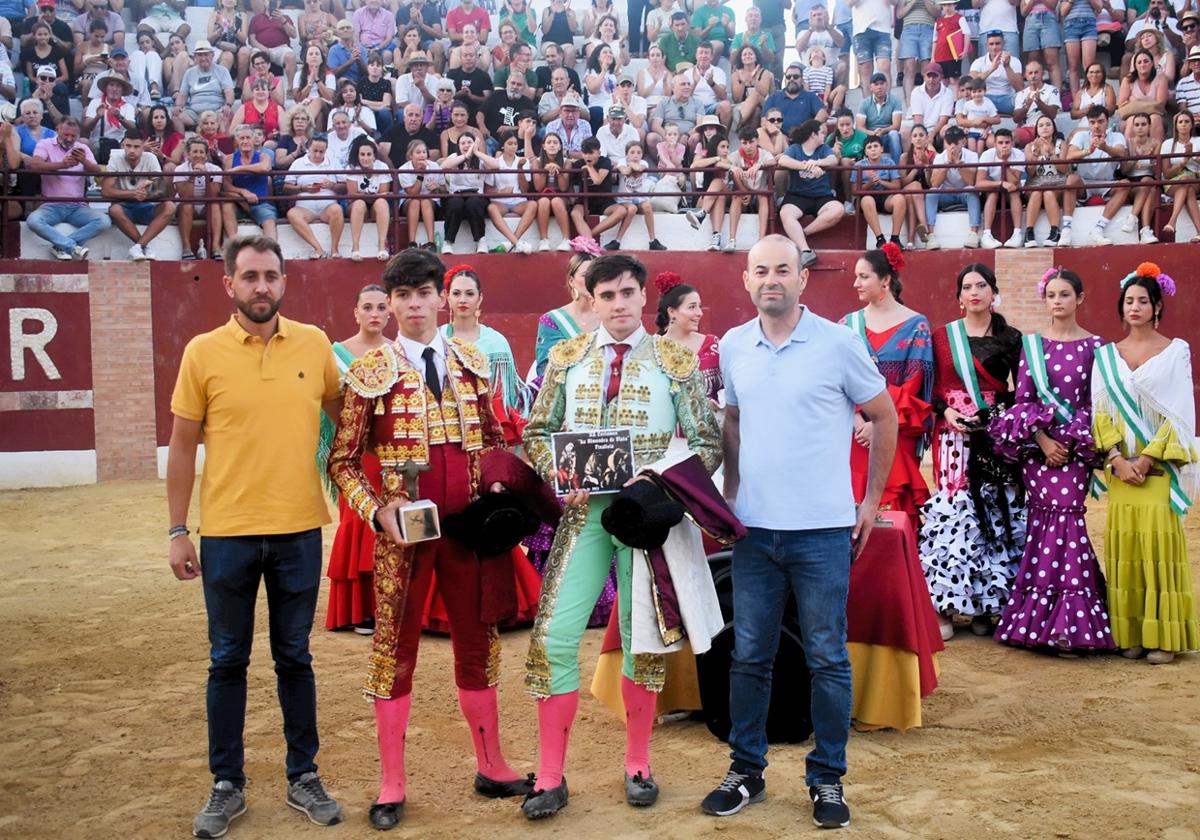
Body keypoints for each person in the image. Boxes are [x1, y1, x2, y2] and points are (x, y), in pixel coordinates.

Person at [328, 249, 535, 830]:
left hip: (468, 531)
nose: (415, 305)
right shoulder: (369, 371)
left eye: (424, 293)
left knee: (478, 641)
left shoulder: (471, 360)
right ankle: (392, 782)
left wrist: (500, 491)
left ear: (439, 297)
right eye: (403, 296)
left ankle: (491, 764)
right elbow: (342, 462)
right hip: (406, 536)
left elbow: (495, 441)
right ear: (389, 304)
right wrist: (376, 510)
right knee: (394, 648)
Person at [701, 234, 896, 828]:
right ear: (746, 280)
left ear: (803, 278)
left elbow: (883, 416)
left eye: (782, 270)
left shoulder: (839, 344)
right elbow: (732, 420)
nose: (771, 281)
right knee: (749, 656)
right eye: (760, 271)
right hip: (754, 531)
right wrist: (730, 492)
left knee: (827, 659)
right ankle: (746, 771)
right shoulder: (734, 346)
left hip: (823, 531)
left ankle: (827, 779)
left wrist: (871, 500)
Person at [521, 254, 721, 819]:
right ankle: (552, 775)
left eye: (627, 293)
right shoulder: (565, 358)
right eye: (606, 295)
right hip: (584, 514)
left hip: (643, 518)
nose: (618, 304)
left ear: (642, 298)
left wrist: (656, 487)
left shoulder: (676, 361)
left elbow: (706, 444)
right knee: (555, 636)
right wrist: (561, 474)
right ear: (590, 299)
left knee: (643, 640)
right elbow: (537, 432)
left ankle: (638, 763)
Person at [167, 235, 345, 839]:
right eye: (250, 277)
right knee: (227, 661)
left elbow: (348, 419)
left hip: (299, 527)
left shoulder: (316, 344)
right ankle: (227, 785)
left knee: (295, 657)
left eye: (271, 275)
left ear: (283, 281)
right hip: (226, 534)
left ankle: (304, 776)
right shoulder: (202, 352)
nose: (262, 286)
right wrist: (176, 530)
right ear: (229, 284)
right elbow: (183, 446)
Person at [990, 267, 1114, 656]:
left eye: (1064, 294)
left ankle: (1071, 625)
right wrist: (1042, 441)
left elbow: (1096, 403)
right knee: (1044, 527)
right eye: (1051, 295)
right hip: (1040, 454)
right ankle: (1039, 623)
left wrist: (1072, 443)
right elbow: (1023, 401)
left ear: (1080, 298)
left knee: (1069, 523)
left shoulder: (1097, 347)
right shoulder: (1032, 346)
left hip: (1074, 451)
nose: (1057, 302)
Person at [1091, 263, 1198, 664]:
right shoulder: (1105, 356)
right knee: (1126, 548)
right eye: (1129, 301)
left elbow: (1180, 414)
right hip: (1122, 473)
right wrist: (1117, 459)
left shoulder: (1175, 351)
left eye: (1143, 301)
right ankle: (1131, 632)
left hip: (1157, 470)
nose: (1134, 307)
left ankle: (1164, 638)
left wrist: (1147, 457)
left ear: (1157, 307)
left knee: (1157, 547)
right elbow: (1099, 412)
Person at [920, 263, 1025, 640]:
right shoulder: (941, 337)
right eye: (967, 287)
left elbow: (1020, 392)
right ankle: (946, 606)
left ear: (993, 292)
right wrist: (946, 410)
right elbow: (928, 387)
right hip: (951, 435)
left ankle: (987, 606)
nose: (975, 292)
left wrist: (995, 416)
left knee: (993, 511)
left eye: (982, 285)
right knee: (955, 509)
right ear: (959, 296)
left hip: (994, 436)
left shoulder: (1012, 338)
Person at [841, 246, 933, 518]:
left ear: (885, 280)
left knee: (892, 512)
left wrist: (878, 423)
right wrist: (858, 421)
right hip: (854, 433)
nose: (855, 283)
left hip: (897, 427)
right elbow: (839, 380)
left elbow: (914, 383)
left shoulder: (917, 325)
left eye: (863, 276)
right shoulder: (847, 324)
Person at [324, 284, 392, 634]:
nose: (375, 314)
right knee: (356, 522)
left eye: (381, 307)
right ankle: (358, 609)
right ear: (356, 312)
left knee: (391, 524)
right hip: (353, 455)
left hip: (388, 455)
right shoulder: (334, 354)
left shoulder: (398, 353)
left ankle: (389, 604)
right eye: (367, 307)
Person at [25, 117, 109, 260]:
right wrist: (61, 165)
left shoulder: (83, 148)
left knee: (104, 221)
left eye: (73, 136)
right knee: (33, 220)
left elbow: (97, 171)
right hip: (51, 205)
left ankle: (61, 246)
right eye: (66, 135)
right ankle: (72, 247)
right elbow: (34, 165)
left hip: (77, 207)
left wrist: (84, 161)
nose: (70, 139)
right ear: (58, 130)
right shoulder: (45, 144)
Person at [775, 119, 844, 269]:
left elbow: (832, 160)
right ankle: (806, 251)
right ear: (813, 134)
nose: (824, 136)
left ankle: (802, 234)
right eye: (822, 133)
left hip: (821, 196)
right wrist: (806, 166)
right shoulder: (795, 148)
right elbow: (784, 160)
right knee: (786, 213)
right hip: (798, 195)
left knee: (838, 209)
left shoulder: (824, 148)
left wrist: (817, 163)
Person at [100, 128, 175, 261]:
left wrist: (147, 194)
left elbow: (162, 189)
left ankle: (139, 246)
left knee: (170, 206)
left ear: (143, 147)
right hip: (125, 206)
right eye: (128, 146)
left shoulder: (150, 157)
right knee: (114, 210)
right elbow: (106, 191)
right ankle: (143, 246)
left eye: (136, 146)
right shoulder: (116, 158)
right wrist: (133, 194)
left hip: (147, 205)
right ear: (123, 145)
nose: (132, 150)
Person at [1062, 106, 1130, 246]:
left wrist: (1105, 147)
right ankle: (1066, 230)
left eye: (1100, 121)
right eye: (1092, 122)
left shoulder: (1117, 136)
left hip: (1107, 182)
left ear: (1108, 121)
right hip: (1084, 183)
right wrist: (1088, 151)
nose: (1096, 126)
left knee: (1125, 184)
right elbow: (1069, 155)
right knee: (1071, 179)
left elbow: (1121, 153)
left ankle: (1098, 230)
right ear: (1088, 123)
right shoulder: (1081, 135)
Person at [656, 272, 721, 403]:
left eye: (699, 306)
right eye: (692, 307)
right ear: (672, 312)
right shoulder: (654, 349)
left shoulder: (712, 345)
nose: (699, 313)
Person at [441, 130, 501, 254]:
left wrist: (477, 152)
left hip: (476, 195)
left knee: (473, 202)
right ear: (458, 146)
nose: (466, 145)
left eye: (469, 142)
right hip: (457, 194)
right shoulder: (454, 157)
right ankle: (448, 242)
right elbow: (444, 166)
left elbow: (496, 165)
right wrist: (465, 156)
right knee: (455, 203)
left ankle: (481, 241)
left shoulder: (480, 159)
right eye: (463, 143)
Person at [570, 136, 635, 247]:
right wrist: (572, 198)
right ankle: (589, 241)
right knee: (575, 213)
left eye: (591, 153)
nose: (588, 156)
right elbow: (569, 181)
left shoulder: (605, 161)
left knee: (621, 212)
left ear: (599, 153)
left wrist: (589, 167)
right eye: (585, 153)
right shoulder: (578, 163)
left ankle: (588, 237)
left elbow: (598, 180)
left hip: (604, 200)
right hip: (585, 200)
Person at [924, 125, 981, 250]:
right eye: (949, 142)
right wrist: (947, 164)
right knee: (931, 193)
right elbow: (934, 184)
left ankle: (973, 233)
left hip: (965, 193)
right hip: (946, 194)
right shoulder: (940, 157)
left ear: (963, 142)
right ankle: (931, 235)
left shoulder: (972, 156)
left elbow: (971, 181)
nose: (952, 146)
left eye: (955, 142)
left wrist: (958, 164)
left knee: (972, 191)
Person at [174, 135, 228, 261]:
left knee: (214, 203)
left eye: (201, 152)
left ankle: (215, 247)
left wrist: (206, 176)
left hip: (206, 204)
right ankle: (186, 247)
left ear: (206, 154)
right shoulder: (180, 169)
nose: (198, 155)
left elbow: (214, 194)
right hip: (187, 205)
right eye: (194, 152)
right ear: (188, 154)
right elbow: (184, 196)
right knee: (186, 204)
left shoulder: (215, 169)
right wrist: (192, 177)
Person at [1022, 114, 1069, 246]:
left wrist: (1051, 154)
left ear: (1054, 128)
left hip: (1057, 182)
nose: (1045, 128)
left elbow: (1064, 169)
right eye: (1041, 125)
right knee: (1037, 192)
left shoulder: (1062, 144)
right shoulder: (1029, 146)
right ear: (1036, 129)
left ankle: (1055, 231)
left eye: (1048, 124)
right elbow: (1030, 172)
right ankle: (1029, 233)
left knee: (1048, 192)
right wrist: (1036, 154)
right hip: (1035, 183)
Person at [223, 124, 277, 238]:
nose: (245, 141)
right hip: (238, 202)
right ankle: (234, 245)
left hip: (260, 203)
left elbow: (263, 168)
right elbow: (226, 185)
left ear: (254, 139)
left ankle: (273, 251)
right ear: (237, 140)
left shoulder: (264, 156)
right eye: (242, 138)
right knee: (227, 206)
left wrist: (238, 169)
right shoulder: (229, 159)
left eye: (248, 138)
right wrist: (243, 192)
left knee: (269, 221)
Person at [977, 128, 1026, 248]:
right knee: (993, 193)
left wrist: (1004, 162)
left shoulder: (1019, 154)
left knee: (1014, 193)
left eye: (1007, 142)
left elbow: (1014, 182)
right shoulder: (987, 155)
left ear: (1012, 143)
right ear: (995, 144)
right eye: (1000, 143)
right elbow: (979, 183)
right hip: (993, 190)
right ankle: (986, 235)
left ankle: (1017, 234)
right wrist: (1000, 183)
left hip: (1010, 191)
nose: (1004, 146)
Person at [852, 135, 905, 248]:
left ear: (881, 148)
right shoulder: (859, 165)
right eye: (869, 147)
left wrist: (881, 182)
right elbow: (854, 190)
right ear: (865, 152)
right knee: (867, 200)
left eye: (876, 146)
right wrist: (869, 184)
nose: (873, 149)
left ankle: (895, 239)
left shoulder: (889, 162)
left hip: (885, 198)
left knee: (900, 198)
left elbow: (897, 185)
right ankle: (880, 239)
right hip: (865, 199)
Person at [344, 135, 391, 262]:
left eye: (369, 154)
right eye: (362, 154)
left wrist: (368, 196)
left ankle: (382, 247)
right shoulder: (352, 167)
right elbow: (353, 194)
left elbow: (384, 193)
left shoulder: (382, 167)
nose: (365, 158)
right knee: (359, 203)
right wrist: (370, 196)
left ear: (374, 156)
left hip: (376, 206)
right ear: (358, 155)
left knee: (381, 202)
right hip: (357, 206)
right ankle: (355, 248)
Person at [727, 124, 774, 244]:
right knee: (736, 196)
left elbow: (773, 161)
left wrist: (759, 165)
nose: (748, 146)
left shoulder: (764, 154)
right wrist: (732, 167)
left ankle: (762, 239)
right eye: (744, 143)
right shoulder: (735, 155)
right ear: (740, 143)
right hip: (744, 194)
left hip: (760, 196)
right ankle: (732, 239)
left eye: (751, 142)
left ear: (757, 141)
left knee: (763, 196)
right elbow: (720, 163)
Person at [1119, 112, 1160, 245]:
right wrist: (1135, 159)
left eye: (1143, 124)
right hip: (1132, 181)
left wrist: (1152, 156)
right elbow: (1124, 170)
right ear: (1133, 127)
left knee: (1149, 183)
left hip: (1150, 179)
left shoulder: (1156, 143)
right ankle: (1145, 229)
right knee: (1148, 185)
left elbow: (1158, 172)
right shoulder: (1128, 143)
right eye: (1137, 125)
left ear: (1149, 126)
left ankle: (1135, 220)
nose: (1140, 128)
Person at [397, 138, 445, 247]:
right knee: (415, 202)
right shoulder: (403, 169)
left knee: (425, 202)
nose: (422, 155)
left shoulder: (435, 166)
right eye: (418, 152)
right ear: (410, 156)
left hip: (431, 201)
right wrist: (420, 175)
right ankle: (412, 243)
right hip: (410, 202)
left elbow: (444, 189)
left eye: (424, 152)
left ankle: (431, 243)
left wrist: (437, 187)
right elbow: (412, 193)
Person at [1160, 111, 1200, 243]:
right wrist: (1183, 162)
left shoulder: (1198, 141)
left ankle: (1172, 221)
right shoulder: (1167, 144)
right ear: (1176, 125)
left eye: (1187, 122)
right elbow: (1166, 173)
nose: (1183, 125)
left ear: (1192, 125)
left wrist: (1193, 156)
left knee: (1186, 181)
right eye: (1180, 122)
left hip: (1195, 178)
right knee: (1186, 185)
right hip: (1173, 182)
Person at [178, 40, 235, 130]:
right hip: (194, 113)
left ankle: (222, 142)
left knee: (226, 114)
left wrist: (228, 105)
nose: (203, 58)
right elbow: (182, 95)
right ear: (195, 57)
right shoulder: (189, 73)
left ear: (212, 55)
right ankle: (180, 143)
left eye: (206, 55)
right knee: (176, 116)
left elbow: (229, 91)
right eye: (200, 55)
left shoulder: (222, 70)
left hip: (216, 111)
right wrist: (178, 107)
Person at [763, 62, 828, 134]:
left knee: (823, 127)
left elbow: (822, 113)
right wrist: (779, 135)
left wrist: (809, 130)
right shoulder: (774, 97)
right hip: (778, 137)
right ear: (785, 80)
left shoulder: (810, 96)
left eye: (796, 77)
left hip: (804, 138)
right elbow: (764, 120)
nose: (791, 79)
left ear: (802, 81)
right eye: (788, 77)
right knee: (761, 131)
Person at [969, 28, 1022, 114]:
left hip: (1007, 98)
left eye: (997, 44)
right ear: (986, 45)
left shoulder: (1014, 61)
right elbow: (970, 84)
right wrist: (991, 69)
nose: (994, 47)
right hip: (985, 98)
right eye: (991, 44)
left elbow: (1019, 88)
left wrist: (1007, 66)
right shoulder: (978, 62)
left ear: (1003, 44)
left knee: (1023, 99)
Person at [1011, 60, 1062, 147]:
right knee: (1010, 136)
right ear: (1025, 76)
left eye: (1036, 72)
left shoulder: (1052, 90)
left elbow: (1052, 114)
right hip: (1027, 129)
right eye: (1030, 73)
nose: (1033, 76)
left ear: (1042, 74)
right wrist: (1026, 107)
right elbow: (1016, 119)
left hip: (1045, 128)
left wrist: (1039, 103)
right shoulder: (1020, 94)